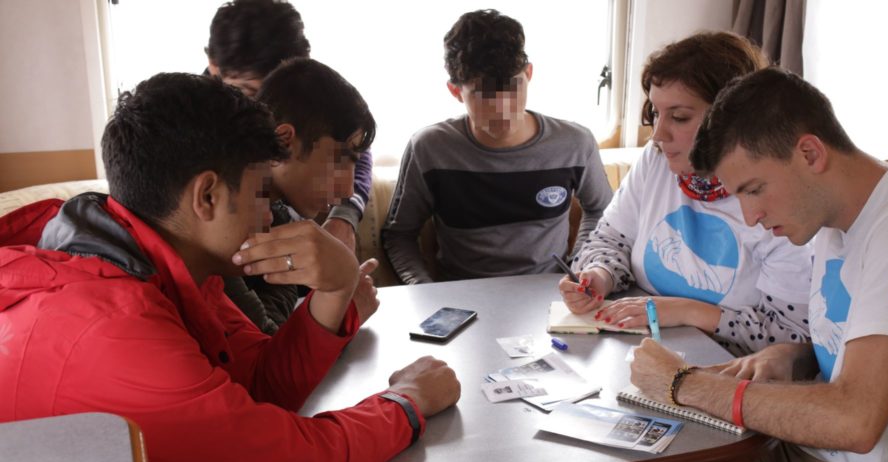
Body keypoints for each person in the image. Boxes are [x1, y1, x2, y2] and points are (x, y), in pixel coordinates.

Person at [0, 73, 461, 462]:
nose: (268, 217)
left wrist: (335, 288)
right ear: (207, 196)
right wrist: (407, 402)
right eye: (262, 193)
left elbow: (261, 387)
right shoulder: (113, 330)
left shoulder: (164, 268)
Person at [572, 67, 888, 462]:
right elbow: (863, 349)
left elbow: (856, 419)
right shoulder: (832, 214)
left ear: (810, 153)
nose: (751, 216)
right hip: (806, 454)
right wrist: (794, 355)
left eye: (754, 189)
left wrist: (683, 384)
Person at [559, 32, 811, 356]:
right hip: (639, 347)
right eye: (655, 113)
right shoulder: (657, 160)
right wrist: (599, 275)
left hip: (725, 367)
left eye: (679, 117)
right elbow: (610, 240)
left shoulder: (779, 195)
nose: (658, 135)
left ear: (730, 120)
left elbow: (792, 336)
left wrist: (682, 311)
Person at [381, 9, 613, 284]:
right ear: (456, 91)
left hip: (550, 294)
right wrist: (425, 291)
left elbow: (603, 212)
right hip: (461, 296)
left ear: (528, 74)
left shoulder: (575, 143)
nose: (503, 109)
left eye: (512, 87)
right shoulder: (429, 148)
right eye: (484, 93)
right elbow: (399, 234)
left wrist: (580, 267)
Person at [205, 0, 371, 251]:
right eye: (251, 93)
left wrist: (344, 214)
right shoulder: (186, 132)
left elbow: (350, 141)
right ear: (214, 67)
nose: (269, 116)